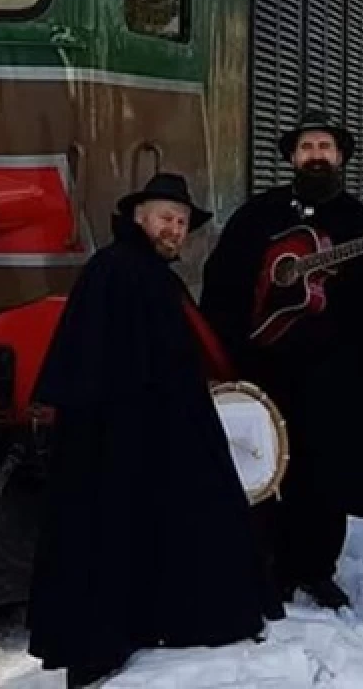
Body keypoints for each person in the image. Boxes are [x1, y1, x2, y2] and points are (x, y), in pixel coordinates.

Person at [27, 173, 283, 688]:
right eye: (167, 218)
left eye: (182, 223)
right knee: (114, 536)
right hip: (118, 437)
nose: (175, 229)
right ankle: (111, 640)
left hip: (141, 432)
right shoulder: (119, 271)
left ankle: (144, 625)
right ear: (139, 218)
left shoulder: (139, 271)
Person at [199, 109, 363, 611]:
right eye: (307, 147)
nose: (316, 156)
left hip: (332, 373)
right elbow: (223, 283)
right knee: (261, 465)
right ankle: (266, 564)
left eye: (325, 148)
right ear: (292, 156)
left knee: (324, 473)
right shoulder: (257, 215)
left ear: (340, 158)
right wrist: (224, 354)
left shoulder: (360, 223)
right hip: (263, 365)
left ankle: (317, 568)